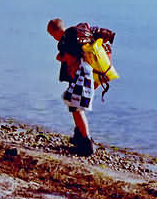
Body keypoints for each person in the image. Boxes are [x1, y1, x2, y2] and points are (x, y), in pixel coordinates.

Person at [47, 18, 116, 156]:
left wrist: (61, 57)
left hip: (84, 74)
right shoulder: (81, 34)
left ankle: (86, 143)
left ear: (55, 32)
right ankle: (79, 134)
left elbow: (71, 59)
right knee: (73, 101)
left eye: (52, 35)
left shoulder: (67, 40)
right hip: (99, 73)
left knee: (75, 106)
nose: (53, 38)